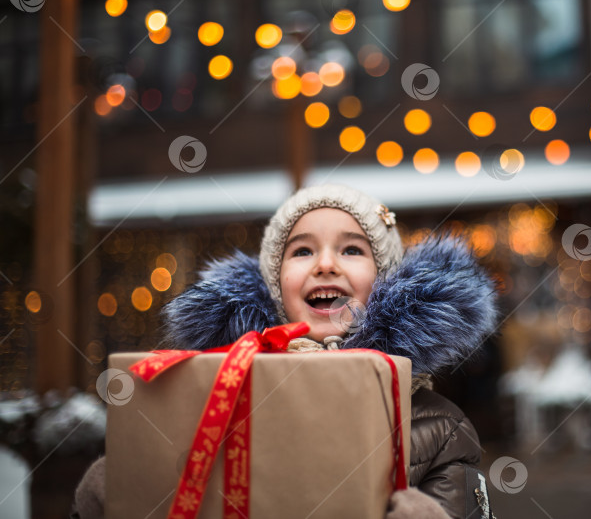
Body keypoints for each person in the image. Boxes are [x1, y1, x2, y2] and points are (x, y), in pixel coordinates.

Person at [74, 184, 499, 519]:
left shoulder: (441, 427)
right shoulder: (215, 400)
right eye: (302, 251)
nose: (326, 265)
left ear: (386, 280)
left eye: (352, 249)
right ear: (276, 286)